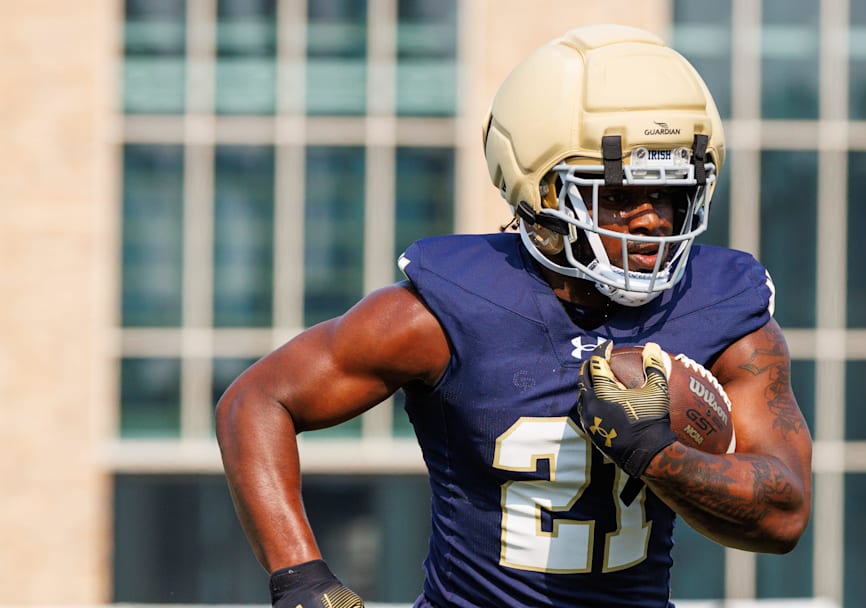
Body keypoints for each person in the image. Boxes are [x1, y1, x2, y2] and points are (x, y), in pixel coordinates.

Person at [216, 23, 813, 608]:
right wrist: (300, 578)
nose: (652, 220)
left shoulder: (720, 306)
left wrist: (654, 452)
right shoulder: (448, 308)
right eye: (619, 194)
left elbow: (784, 517)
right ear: (542, 194)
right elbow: (258, 401)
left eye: (668, 194)